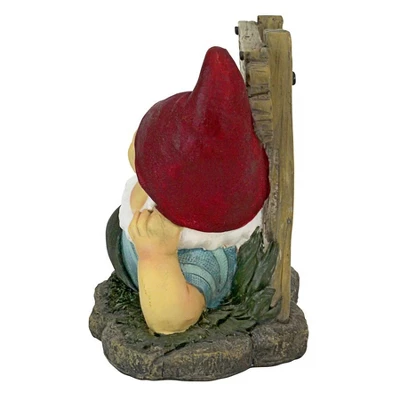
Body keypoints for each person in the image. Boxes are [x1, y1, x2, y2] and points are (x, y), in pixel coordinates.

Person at [116, 47, 270, 335]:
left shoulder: (202, 256)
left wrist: (155, 256)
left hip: (154, 266)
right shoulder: (163, 196)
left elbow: (170, 321)